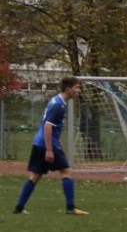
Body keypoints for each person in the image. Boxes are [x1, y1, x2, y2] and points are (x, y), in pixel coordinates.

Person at [13, 76, 88, 216]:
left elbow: (50, 127)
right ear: (68, 89)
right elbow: (48, 127)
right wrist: (49, 149)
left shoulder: (56, 101)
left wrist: (57, 143)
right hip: (46, 144)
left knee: (36, 175)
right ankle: (71, 208)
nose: (79, 90)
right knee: (67, 172)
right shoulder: (58, 105)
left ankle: (19, 207)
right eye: (76, 87)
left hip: (40, 142)